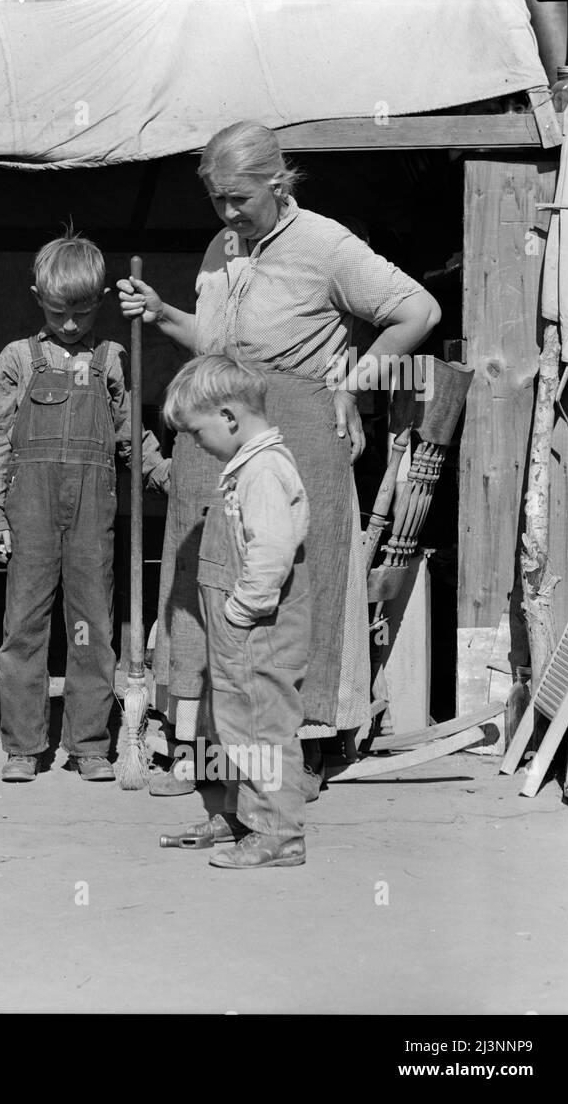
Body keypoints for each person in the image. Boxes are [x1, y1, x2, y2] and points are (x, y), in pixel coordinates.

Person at [118, 120, 440, 799]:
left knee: (298, 583)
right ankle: (205, 748)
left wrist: (353, 383)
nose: (229, 214)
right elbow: (213, 339)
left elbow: (419, 309)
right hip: (217, 427)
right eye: (217, 201)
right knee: (203, 582)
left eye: (240, 198)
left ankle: (304, 748)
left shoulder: (325, 244)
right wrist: (162, 313)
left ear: (277, 180)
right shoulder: (223, 246)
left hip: (297, 433)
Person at [0, 231, 157, 783]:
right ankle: (23, 746)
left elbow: (132, 436)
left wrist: (163, 473)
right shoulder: (17, 358)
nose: (73, 324)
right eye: (60, 312)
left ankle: (89, 744)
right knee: (25, 626)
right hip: (28, 509)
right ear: (37, 298)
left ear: (101, 299)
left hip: (92, 513)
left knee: (90, 626)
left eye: (83, 310)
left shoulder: (112, 358)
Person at [159, 356, 310, 868]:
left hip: (258, 627)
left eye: (197, 432)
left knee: (265, 727)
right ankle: (245, 815)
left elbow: (270, 552)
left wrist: (241, 611)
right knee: (235, 724)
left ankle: (279, 832)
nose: (196, 443)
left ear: (228, 417)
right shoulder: (244, 467)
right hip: (238, 630)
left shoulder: (265, 470)